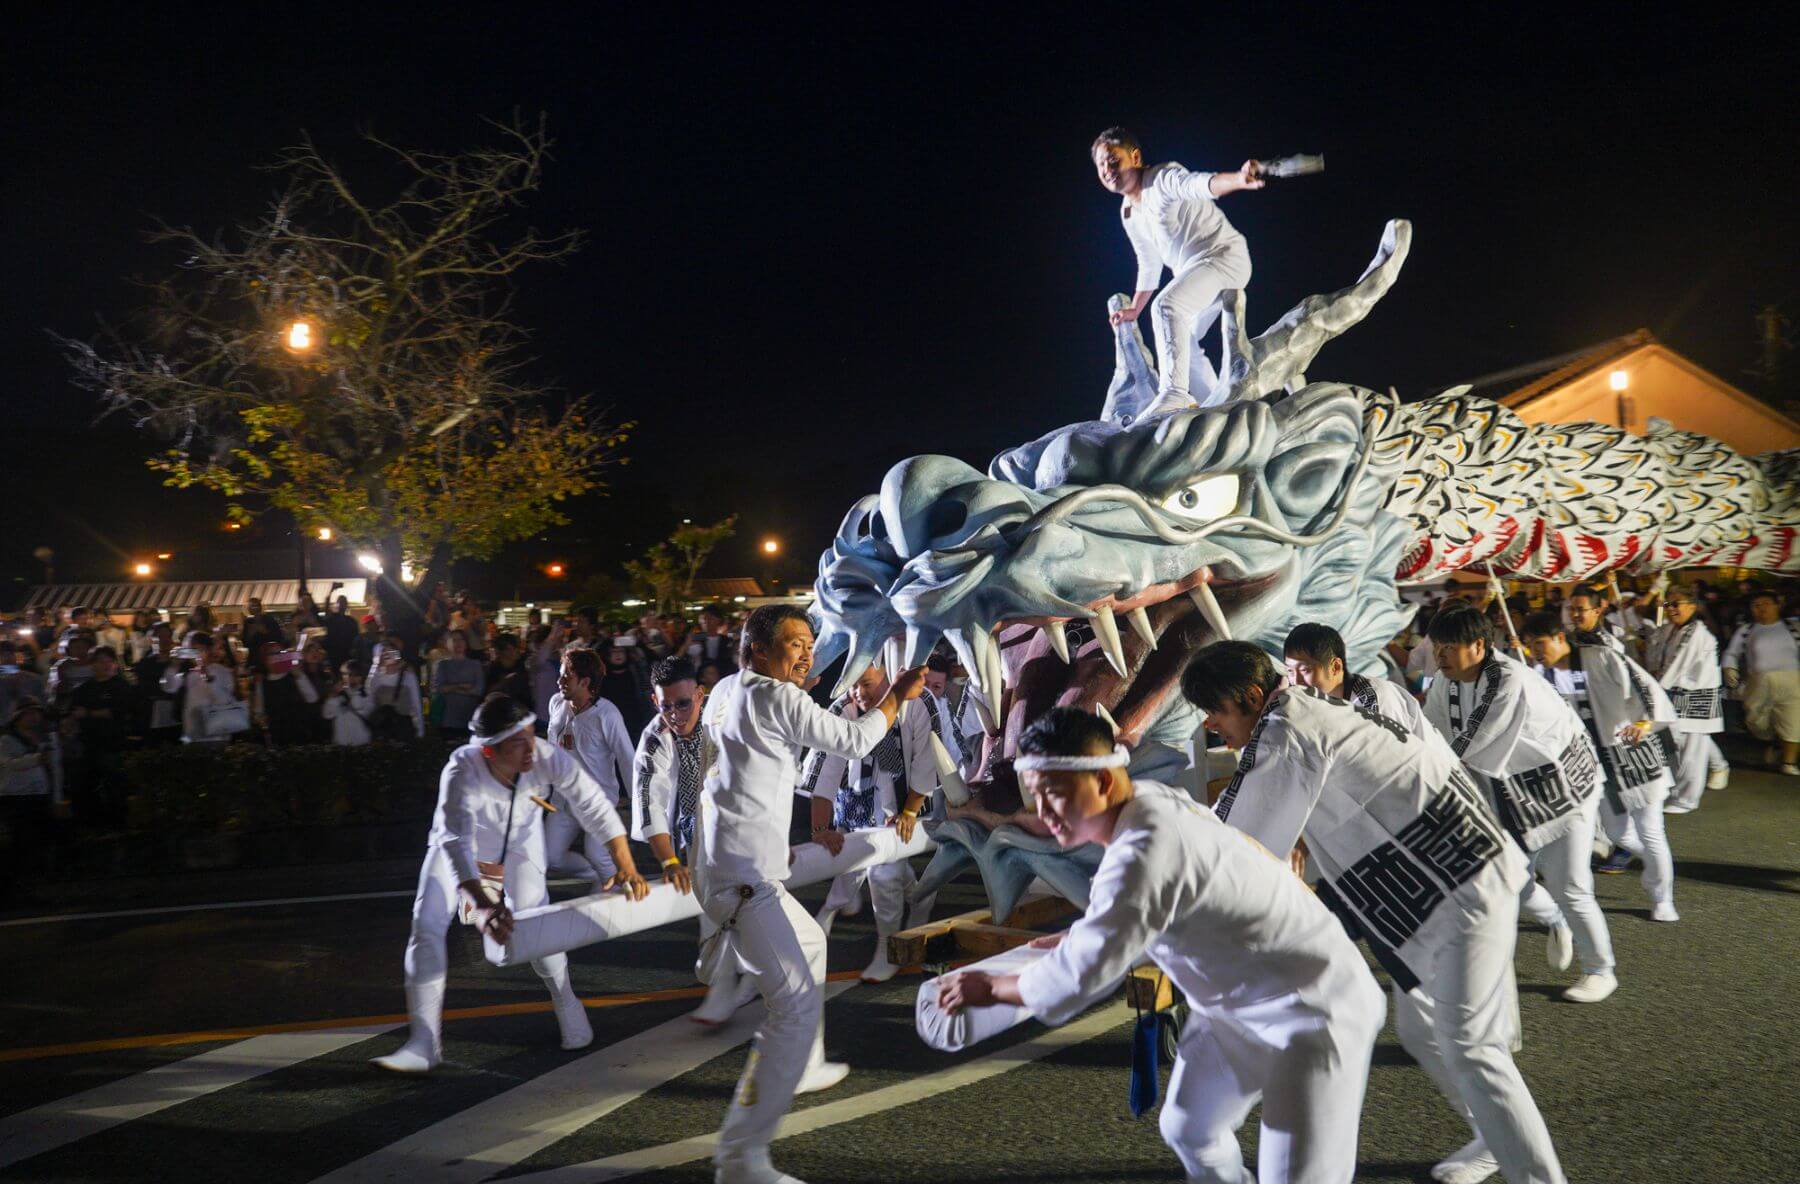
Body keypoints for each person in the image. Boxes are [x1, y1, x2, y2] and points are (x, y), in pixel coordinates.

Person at [940, 706, 1384, 1183]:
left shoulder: (1141, 852)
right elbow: (1166, 903)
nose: (1043, 814)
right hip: (1236, 1005)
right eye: (1036, 798)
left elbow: (1077, 979)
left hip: (1315, 1008)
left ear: (1105, 783)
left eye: (1054, 796)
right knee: (1190, 1128)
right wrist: (1084, 933)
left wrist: (991, 989)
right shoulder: (1152, 798)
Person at [1184, 640, 1562, 1185]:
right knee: (1423, 1030)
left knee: (1472, 1047)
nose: (1211, 724)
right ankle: (1492, 1136)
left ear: (1248, 696)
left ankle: (1541, 1183)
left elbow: (1237, 843)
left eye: (1215, 710)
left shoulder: (1288, 727)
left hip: (1459, 881)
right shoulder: (1306, 710)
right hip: (1447, 872)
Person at [697, 604, 927, 1183]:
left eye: (809, 642)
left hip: (733, 869)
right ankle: (740, 1159)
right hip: (746, 879)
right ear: (755, 651)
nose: (805, 652)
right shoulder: (775, 697)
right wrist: (896, 692)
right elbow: (853, 740)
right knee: (794, 1006)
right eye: (793, 643)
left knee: (812, 946)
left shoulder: (729, 690)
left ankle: (806, 1063)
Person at [372, 693, 649, 1074]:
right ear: (489, 751)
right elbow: (454, 840)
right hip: (460, 851)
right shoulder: (461, 769)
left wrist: (626, 865)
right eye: (517, 741)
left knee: (537, 927)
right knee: (427, 922)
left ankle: (566, 1000)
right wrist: (482, 903)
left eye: (530, 734)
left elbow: (593, 805)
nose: (529, 748)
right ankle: (423, 1042)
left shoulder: (544, 755)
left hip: (521, 842)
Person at [1424, 605, 1627, 1006]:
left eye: (1448, 648)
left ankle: (1601, 970)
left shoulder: (1507, 680)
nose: (1439, 657)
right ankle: (1554, 920)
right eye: (1437, 648)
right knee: (1502, 878)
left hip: (1563, 789)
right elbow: (1429, 731)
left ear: (1479, 646)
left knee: (1571, 885)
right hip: (1508, 789)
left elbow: (1465, 748)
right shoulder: (1446, 681)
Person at [1520, 610, 1679, 929]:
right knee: (1620, 833)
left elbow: (1646, 689)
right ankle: (1656, 866)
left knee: (1650, 830)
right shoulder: (1540, 675)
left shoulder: (1603, 656)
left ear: (1559, 637)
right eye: (1530, 646)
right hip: (1591, 765)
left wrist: (1645, 722)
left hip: (1631, 752)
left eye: (1540, 644)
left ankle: (1663, 899)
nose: (1536, 652)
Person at [1092, 126, 1262, 414]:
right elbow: (1148, 262)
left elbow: (1198, 185)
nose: (1107, 169)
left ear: (1134, 157)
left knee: (1166, 308)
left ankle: (1174, 392)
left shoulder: (1161, 179)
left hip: (1224, 258)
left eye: (1113, 160)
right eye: (1100, 165)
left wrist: (1238, 179)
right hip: (1197, 272)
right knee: (1185, 342)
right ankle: (1221, 408)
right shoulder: (1128, 212)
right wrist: (1134, 309)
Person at [632, 656, 755, 1025]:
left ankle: (736, 983)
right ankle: (733, 983)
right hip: (695, 833)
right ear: (655, 703)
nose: (674, 713)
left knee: (737, 906)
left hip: (741, 820)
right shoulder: (655, 738)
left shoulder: (725, 721)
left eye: (683, 703)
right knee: (717, 908)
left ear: (700, 695)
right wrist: (670, 862)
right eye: (665, 705)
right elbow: (648, 801)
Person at [799, 662, 939, 983]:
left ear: (889, 676)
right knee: (860, 864)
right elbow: (827, 770)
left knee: (883, 872)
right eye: (853, 685)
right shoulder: (842, 708)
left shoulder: (919, 700)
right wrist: (821, 829)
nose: (859, 693)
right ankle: (919, 896)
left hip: (904, 801)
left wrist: (909, 810)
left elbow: (926, 758)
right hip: (857, 801)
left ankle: (887, 948)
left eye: (867, 684)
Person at [544, 648, 637, 884]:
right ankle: (592, 877)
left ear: (585, 682)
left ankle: (620, 906)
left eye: (566, 677)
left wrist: (641, 804)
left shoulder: (607, 714)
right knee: (551, 858)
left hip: (598, 801)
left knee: (599, 856)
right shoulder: (556, 703)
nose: (559, 680)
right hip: (563, 799)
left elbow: (627, 759)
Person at [1644, 584, 1728, 811]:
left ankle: (1687, 799)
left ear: (1692, 606)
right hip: (1674, 694)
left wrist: (1655, 688)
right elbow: (1655, 656)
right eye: (1667, 604)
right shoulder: (1670, 630)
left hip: (1694, 698)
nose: (1670, 609)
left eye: (1675, 604)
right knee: (1678, 747)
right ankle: (1679, 790)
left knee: (1692, 752)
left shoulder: (1698, 635)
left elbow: (1676, 667)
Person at [1283, 622, 1431, 739]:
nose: (1296, 681)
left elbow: (1390, 761)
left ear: (1335, 667)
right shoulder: (1310, 704)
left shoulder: (1373, 699)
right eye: (1290, 671)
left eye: (1305, 670)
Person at [1722, 590, 1800, 775]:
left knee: (1794, 722)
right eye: (1756, 605)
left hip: (1792, 681)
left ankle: (1788, 762)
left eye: (1766, 603)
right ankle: (1776, 741)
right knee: (1755, 720)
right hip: (1758, 682)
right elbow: (1731, 653)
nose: (1761, 608)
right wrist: (1729, 668)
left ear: (1777, 605)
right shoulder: (1746, 630)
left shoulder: (1794, 627)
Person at [67, 646, 137, 821]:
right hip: (89, 744)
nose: (105, 665)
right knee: (89, 784)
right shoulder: (84, 689)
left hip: (113, 743)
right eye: (100, 661)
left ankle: (118, 821)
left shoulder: (120, 685)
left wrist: (89, 713)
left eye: (109, 661)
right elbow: (73, 711)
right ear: (93, 665)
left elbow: (118, 711)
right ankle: (96, 822)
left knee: (115, 784)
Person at [162, 632, 240, 745]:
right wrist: (174, 665)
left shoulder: (222, 672)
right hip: (192, 735)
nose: (197, 655)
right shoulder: (188, 673)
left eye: (200, 650)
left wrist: (208, 679)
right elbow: (169, 688)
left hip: (217, 735)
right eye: (192, 650)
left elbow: (226, 702)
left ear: (209, 650)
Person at [429, 630, 485, 739]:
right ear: (448, 643)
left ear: (466, 642)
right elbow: (439, 689)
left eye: (461, 639)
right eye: (454, 640)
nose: (458, 643)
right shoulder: (443, 664)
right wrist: (463, 686)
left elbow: (478, 690)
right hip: (447, 718)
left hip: (470, 717)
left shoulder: (475, 664)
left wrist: (451, 688)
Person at [367, 639, 425, 739]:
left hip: (404, 727)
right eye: (384, 652)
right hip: (383, 729)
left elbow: (416, 704)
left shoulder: (408, 676)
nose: (387, 654)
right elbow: (370, 703)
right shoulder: (375, 678)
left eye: (391, 651)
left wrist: (420, 730)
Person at [322, 660, 377, 746]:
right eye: (345, 674)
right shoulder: (338, 694)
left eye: (354, 674)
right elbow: (327, 714)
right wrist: (334, 695)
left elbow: (358, 706)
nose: (349, 677)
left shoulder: (367, 694)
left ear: (361, 676)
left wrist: (354, 691)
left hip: (362, 743)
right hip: (340, 743)